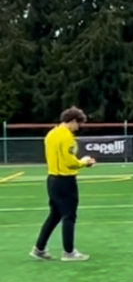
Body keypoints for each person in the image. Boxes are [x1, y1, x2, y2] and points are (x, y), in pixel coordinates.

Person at [30, 107, 96, 262]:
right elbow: (69, 161)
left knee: (55, 215)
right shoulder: (67, 136)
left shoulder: (51, 134)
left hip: (52, 179)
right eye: (78, 124)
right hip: (65, 180)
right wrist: (84, 162)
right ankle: (69, 252)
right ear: (72, 121)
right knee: (69, 216)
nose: (78, 128)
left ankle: (39, 248)